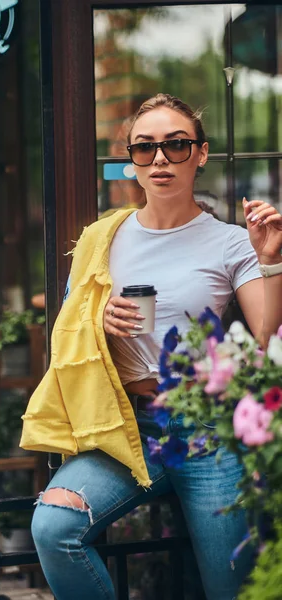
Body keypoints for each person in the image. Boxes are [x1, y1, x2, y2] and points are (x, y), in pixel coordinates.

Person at [20, 93, 282, 600]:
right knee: (53, 529)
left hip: (208, 430)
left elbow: (267, 337)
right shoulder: (103, 237)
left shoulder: (230, 242)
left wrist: (269, 259)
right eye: (145, 148)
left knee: (231, 588)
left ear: (200, 154)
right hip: (126, 426)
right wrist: (100, 318)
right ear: (132, 160)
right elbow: (70, 330)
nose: (160, 158)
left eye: (176, 145)